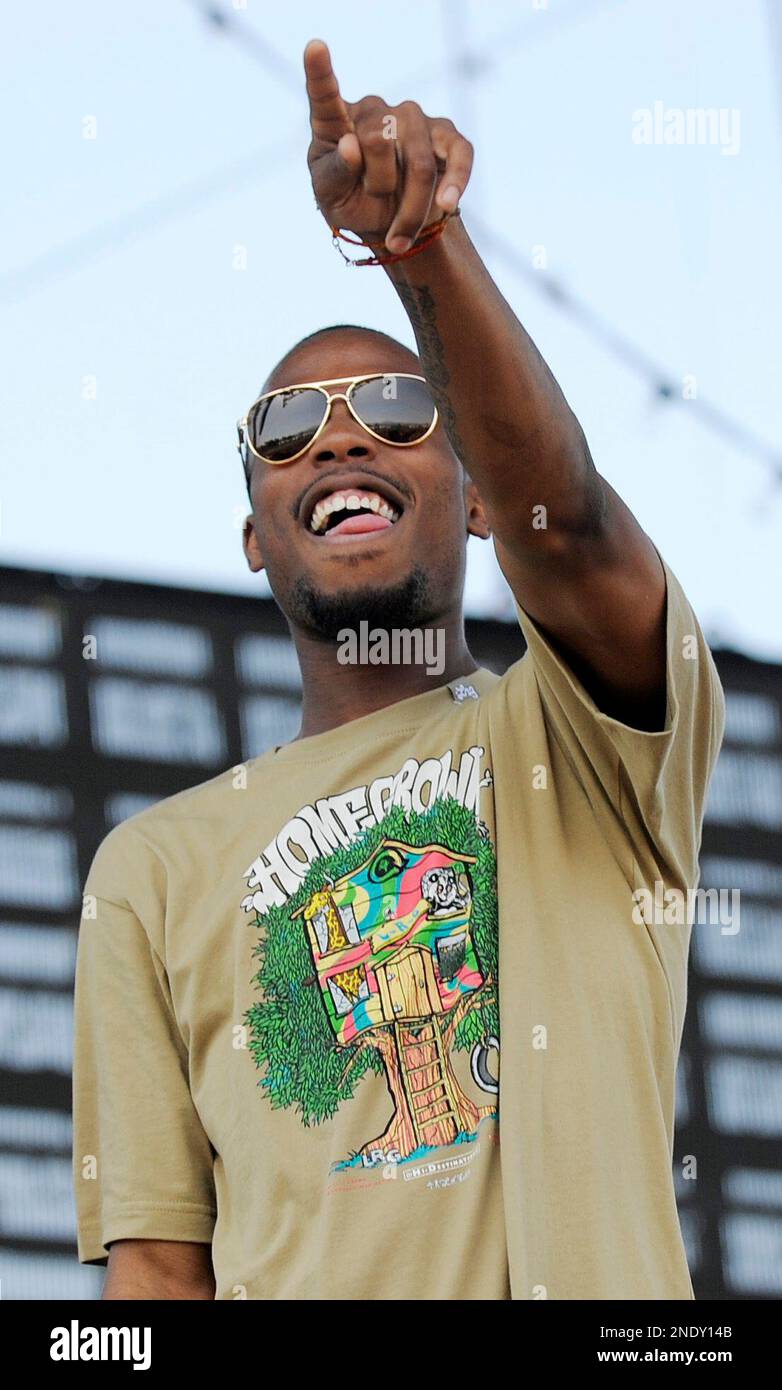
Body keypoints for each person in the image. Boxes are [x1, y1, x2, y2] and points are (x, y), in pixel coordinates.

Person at [72, 39, 724, 1301]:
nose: (341, 439)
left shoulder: (585, 743)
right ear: (255, 537)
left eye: (397, 410)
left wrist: (420, 253)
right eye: (285, 431)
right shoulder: (149, 872)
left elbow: (575, 528)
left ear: (477, 499)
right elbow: (156, 1275)